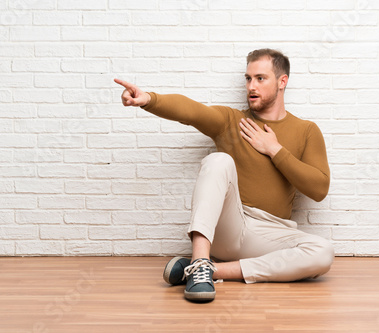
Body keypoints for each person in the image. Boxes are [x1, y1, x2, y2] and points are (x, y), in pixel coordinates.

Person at [114, 48, 334, 303]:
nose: (251, 85)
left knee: (323, 252)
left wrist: (274, 149)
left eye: (260, 78)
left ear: (282, 82)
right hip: (231, 223)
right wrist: (149, 99)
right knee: (219, 160)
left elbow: (319, 189)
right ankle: (200, 259)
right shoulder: (233, 120)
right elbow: (193, 112)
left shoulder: (307, 130)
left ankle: (206, 270)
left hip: (271, 233)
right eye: (248, 78)